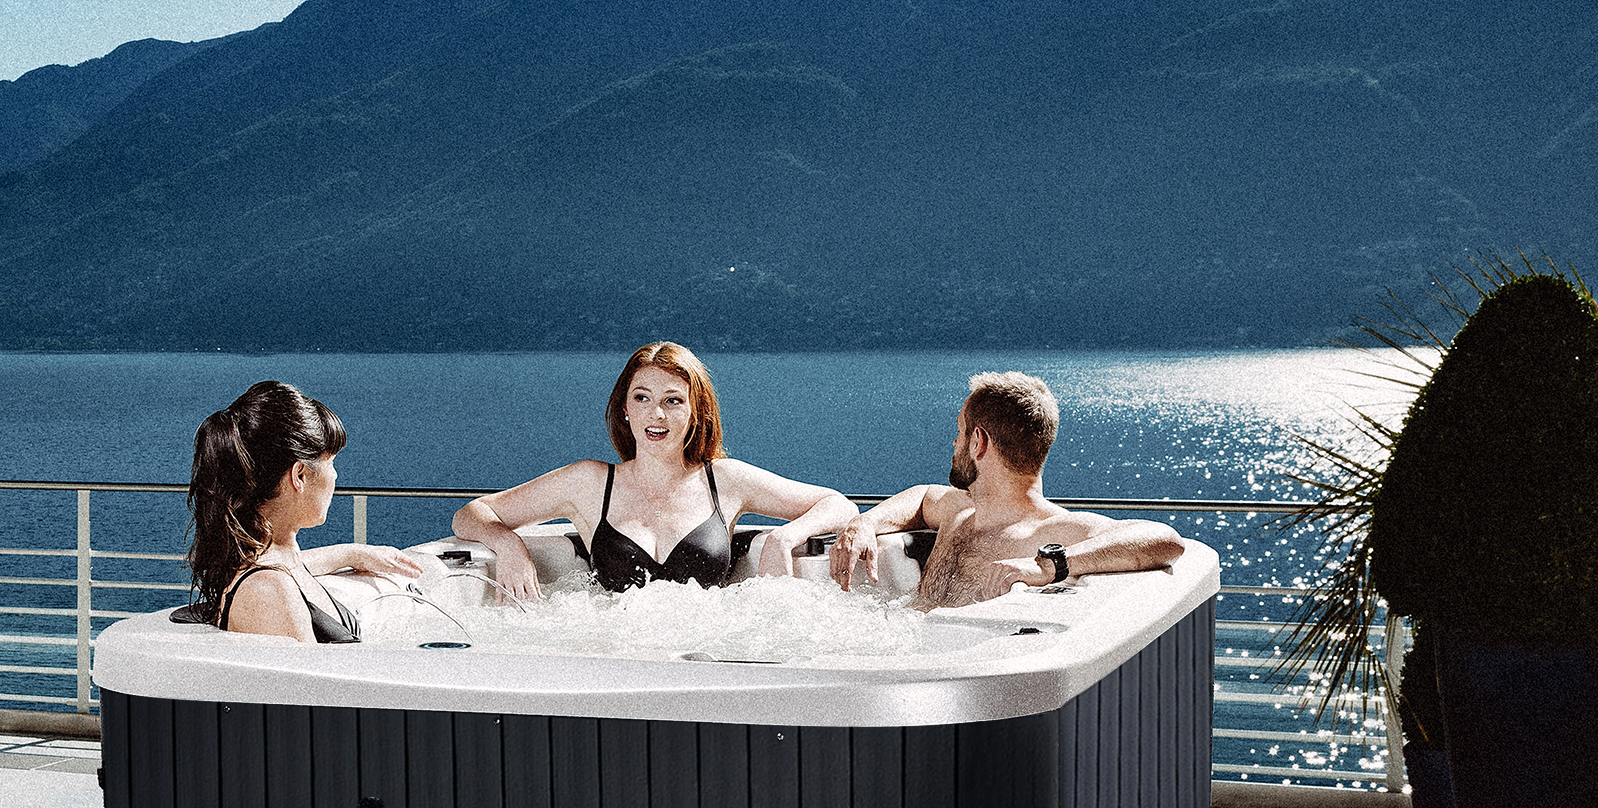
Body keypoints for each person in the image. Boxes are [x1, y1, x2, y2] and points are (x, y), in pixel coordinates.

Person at [452, 343, 857, 599]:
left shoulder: (725, 480)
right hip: (616, 652)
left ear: (696, 412)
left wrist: (785, 538)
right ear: (625, 409)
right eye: (642, 398)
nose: (656, 414)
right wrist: (509, 548)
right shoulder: (591, 483)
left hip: (707, 652)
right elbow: (471, 514)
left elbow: (839, 505)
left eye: (673, 401)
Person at [829, 371, 1185, 607]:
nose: (954, 442)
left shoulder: (1053, 532)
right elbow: (922, 496)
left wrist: (1051, 565)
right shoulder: (960, 512)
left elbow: (1165, 540)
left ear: (978, 442)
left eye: (960, 431)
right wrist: (864, 524)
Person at [188, 380, 425, 643]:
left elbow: (298, 564)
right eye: (331, 462)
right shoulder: (267, 591)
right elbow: (314, 685)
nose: (335, 476)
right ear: (299, 475)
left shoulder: (276, 560)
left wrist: (353, 553)